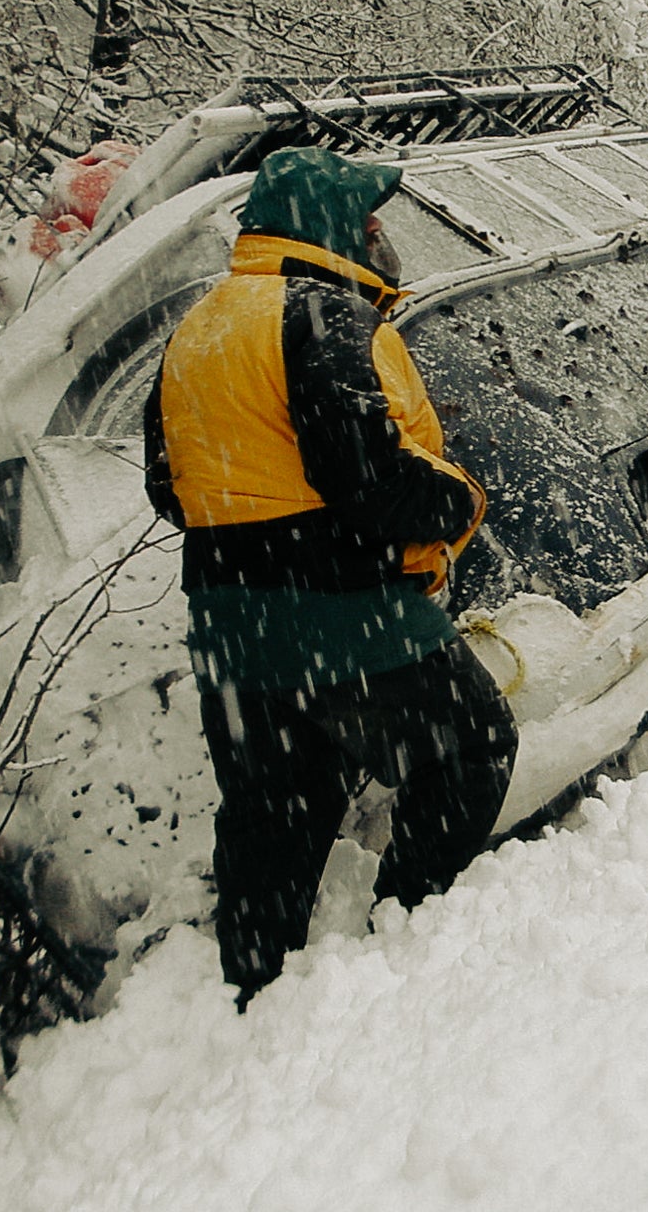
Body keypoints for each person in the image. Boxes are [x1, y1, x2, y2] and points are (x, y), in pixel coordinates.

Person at [142, 146, 519, 1002]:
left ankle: (253, 999)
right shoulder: (320, 314)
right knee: (472, 748)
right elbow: (368, 476)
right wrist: (458, 501)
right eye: (371, 223)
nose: (384, 238)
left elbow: (169, 486)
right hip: (350, 617)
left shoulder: (195, 330)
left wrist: (259, 528)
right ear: (329, 229)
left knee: (271, 817)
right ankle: (401, 933)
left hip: (232, 630)